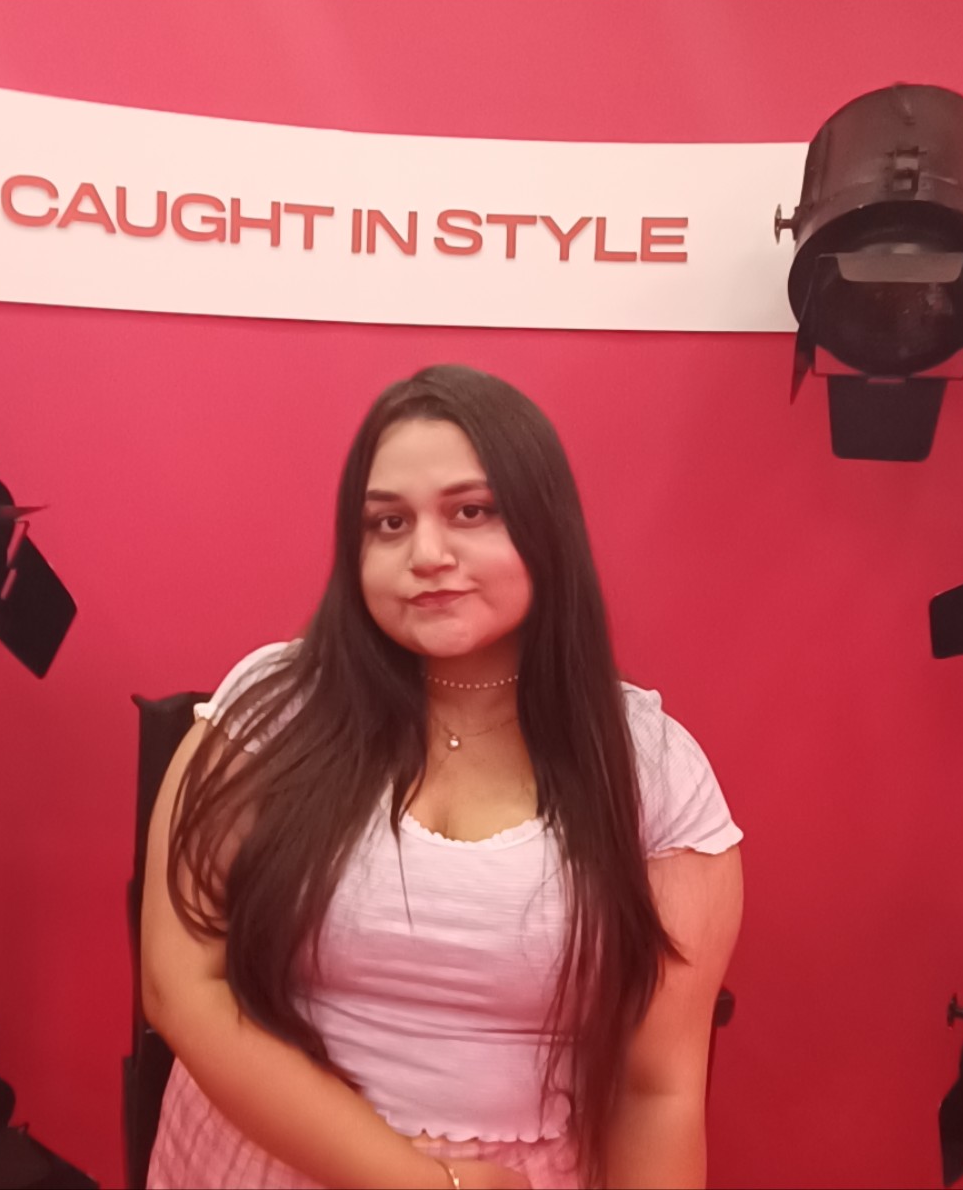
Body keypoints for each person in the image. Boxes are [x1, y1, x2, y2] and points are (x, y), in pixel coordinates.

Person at [142, 364, 744, 1190]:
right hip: (256, 1164)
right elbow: (181, 987)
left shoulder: (654, 773)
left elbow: (656, 1089)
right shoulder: (272, 709)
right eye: (388, 523)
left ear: (545, 525)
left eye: (471, 512)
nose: (426, 555)